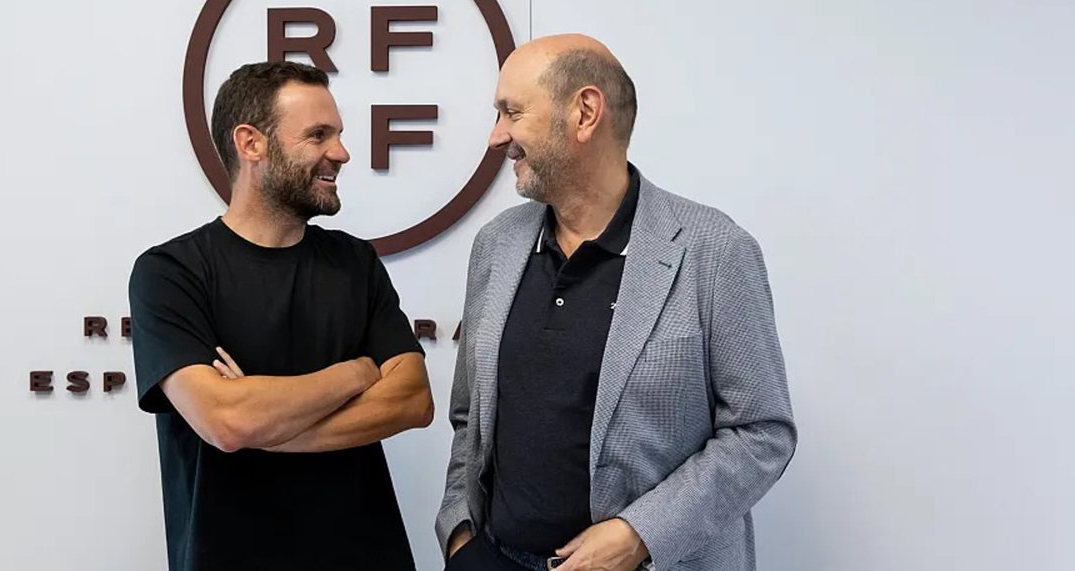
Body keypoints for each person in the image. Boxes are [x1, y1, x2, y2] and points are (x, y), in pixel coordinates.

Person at [436, 35, 796, 571]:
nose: (496, 136)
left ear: (585, 113)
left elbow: (761, 433)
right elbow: (471, 419)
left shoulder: (715, 251)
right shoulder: (497, 244)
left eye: (512, 112)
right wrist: (460, 534)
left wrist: (640, 535)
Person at [128, 61, 433, 571]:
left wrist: (265, 425)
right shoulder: (171, 272)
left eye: (338, 135)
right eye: (318, 135)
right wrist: (355, 373)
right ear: (251, 143)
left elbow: (412, 400)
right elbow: (227, 420)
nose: (341, 153)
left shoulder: (354, 262)